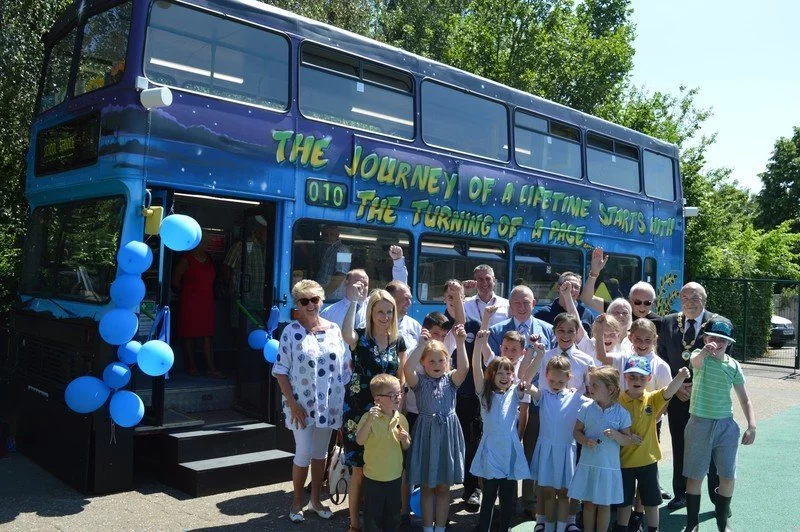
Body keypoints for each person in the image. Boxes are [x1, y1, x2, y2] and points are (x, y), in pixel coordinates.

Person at [272, 280, 350, 523]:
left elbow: (344, 369)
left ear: (322, 300)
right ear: (297, 304)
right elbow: (280, 370)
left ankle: (316, 500)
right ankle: (297, 503)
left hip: (330, 405)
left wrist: (344, 404)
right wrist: (292, 404)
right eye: (304, 301)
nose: (310, 305)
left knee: (320, 454)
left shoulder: (334, 330)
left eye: (314, 299)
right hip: (301, 406)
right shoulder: (291, 332)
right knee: (303, 453)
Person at [342, 288, 407, 532]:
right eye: (380, 311)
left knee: (383, 464)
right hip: (358, 408)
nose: (385, 316)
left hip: (388, 411)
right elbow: (345, 334)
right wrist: (354, 302)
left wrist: (397, 402)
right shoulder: (360, 336)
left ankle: (379, 519)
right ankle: (355, 524)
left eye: (389, 311)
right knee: (359, 468)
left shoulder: (398, 340)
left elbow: (400, 376)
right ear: (370, 312)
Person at [487, 284, 555, 518]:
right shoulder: (498, 331)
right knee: (505, 446)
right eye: (516, 302)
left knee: (532, 447)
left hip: (536, 400)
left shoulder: (547, 330)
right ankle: (502, 498)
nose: (522, 307)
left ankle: (529, 499)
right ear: (510, 305)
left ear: (534, 303)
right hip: (504, 404)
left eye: (526, 302)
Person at [683, 316, 756, 532]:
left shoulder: (733, 365)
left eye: (722, 339)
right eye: (712, 337)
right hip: (699, 423)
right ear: (704, 338)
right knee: (695, 475)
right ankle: (692, 524)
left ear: (729, 343)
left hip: (726, 426)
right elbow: (695, 362)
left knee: (728, 476)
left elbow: (745, 399)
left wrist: (752, 425)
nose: (717, 342)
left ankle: (723, 522)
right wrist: (705, 351)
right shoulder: (699, 356)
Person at [657, 282, 720, 511]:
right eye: (684, 297)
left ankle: (717, 496)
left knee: (711, 448)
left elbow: (722, 360)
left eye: (694, 297)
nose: (688, 302)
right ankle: (680, 494)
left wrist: (695, 387)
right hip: (678, 396)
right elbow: (662, 356)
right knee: (679, 444)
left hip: (706, 399)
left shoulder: (718, 323)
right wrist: (677, 386)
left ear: (704, 298)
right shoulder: (669, 321)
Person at [404, 325, 469, 532]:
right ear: (423, 363)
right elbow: (407, 369)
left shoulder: (451, 380)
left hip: (447, 437)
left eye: (441, 360)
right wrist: (420, 345)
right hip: (426, 436)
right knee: (426, 487)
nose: (437, 364)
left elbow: (464, 369)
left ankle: (440, 528)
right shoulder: (419, 382)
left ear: (447, 362)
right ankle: (427, 528)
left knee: (443, 488)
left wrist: (460, 342)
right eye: (431, 360)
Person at [615, 357, 691, 532]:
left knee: (652, 501)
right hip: (623, 462)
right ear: (625, 377)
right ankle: (622, 528)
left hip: (648, 461)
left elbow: (669, 391)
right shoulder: (618, 401)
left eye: (642, 377)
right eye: (633, 376)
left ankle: (652, 528)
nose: (637, 381)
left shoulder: (652, 398)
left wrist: (679, 377)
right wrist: (626, 436)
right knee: (624, 502)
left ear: (649, 379)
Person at [469, 330, 531, 532]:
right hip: (490, 452)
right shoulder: (484, 394)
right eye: (500, 373)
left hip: (510, 453)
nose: (504, 377)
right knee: (488, 498)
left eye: (508, 373)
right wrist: (478, 344)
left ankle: (504, 529)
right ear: (491, 375)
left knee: (507, 499)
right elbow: (476, 369)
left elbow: (528, 375)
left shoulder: (515, 392)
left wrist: (538, 354)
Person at [568, 367, 634, 532]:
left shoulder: (622, 413)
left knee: (604, 506)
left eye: (595, 385)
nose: (590, 388)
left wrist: (616, 435)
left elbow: (627, 440)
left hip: (608, 468)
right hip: (588, 465)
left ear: (610, 389)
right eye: (590, 384)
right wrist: (585, 440)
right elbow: (576, 432)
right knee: (588, 505)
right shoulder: (586, 408)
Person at [523, 355, 584, 532]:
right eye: (551, 380)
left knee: (565, 493)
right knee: (548, 492)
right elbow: (526, 383)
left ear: (569, 378)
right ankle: (548, 526)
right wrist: (537, 355)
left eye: (560, 381)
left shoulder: (576, 397)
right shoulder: (543, 395)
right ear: (545, 376)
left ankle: (563, 527)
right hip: (547, 450)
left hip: (567, 451)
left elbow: (598, 404)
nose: (555, 384)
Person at [440, 279, 484, 511]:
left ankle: (472, 488)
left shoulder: (474, 326)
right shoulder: (437, 323)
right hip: (442, 395)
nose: (453, 300)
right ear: (443, 299)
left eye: (457, 296)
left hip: (468, 395)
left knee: (470, 442)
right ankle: (441, 490)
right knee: (445, 443)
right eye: (449, 296)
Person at [355, 374, 411, 532]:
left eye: (400, 392)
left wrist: (405, 439)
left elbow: (406, 447)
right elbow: (360, 440)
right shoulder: (368, 418)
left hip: (394, 478)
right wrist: (369, 421)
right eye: (393, 394)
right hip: (373, 478)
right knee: (372, 517)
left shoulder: (401, 419)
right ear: (378, 399)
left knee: (393, 517)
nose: (398, 397)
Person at [172, 232, 221, 377]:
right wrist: (187, 293)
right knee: (189, 335)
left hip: (206, 302)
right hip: (189, 301)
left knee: (208, 335)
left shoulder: (209, 259)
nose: (206, 243)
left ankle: (211, 368)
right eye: (203, 241)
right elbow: (175, 281)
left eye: (207, 241)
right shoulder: (186, 260)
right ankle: (191, 366)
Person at [580, 247, 662, 328]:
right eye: (637, 302)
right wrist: (594, 272)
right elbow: (587, 298)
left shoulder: (659, 323)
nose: (642, 306)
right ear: (629, 301)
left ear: (653, 303)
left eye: (647, 303)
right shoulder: (619, 312)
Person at [221, 215, 269, 325]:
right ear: (258, 229)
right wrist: (233, 289)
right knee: (240, 329)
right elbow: (226, 268)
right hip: (243, 299)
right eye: (265, 229)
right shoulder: (240, 246)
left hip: (261, 298)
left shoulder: (269, 247)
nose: (267, 233)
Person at [316, 225, 351, 300]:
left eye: (331, 234)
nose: (328, 237)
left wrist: (325, 295)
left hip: (332, 298)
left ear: (338, 235)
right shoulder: (328, 249)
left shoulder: (344, 251)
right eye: (325, 234)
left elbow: (341, 275)